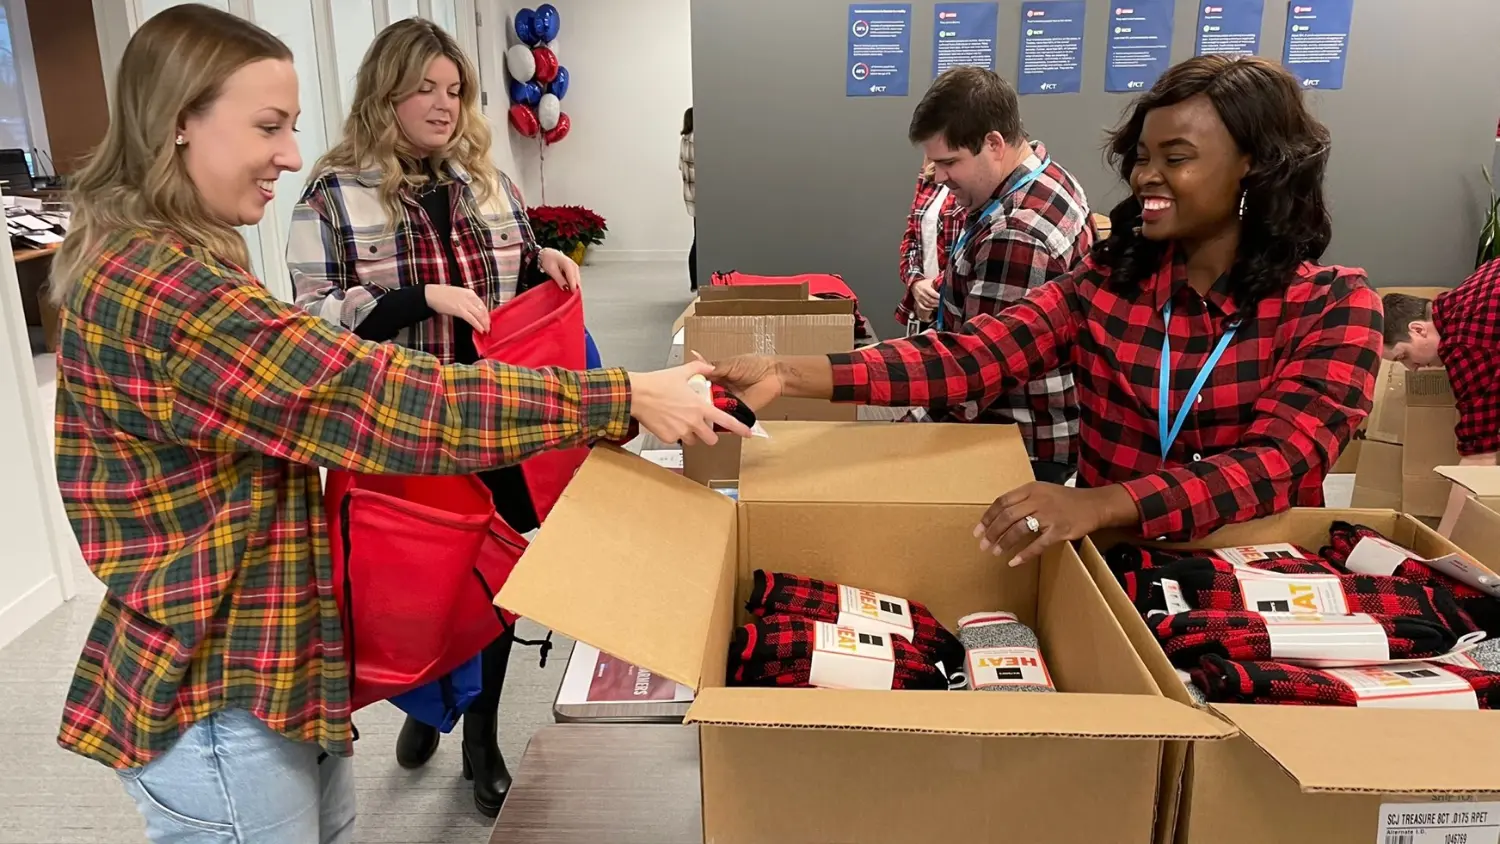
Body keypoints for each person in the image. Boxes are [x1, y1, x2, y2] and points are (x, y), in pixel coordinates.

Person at [48, 7, 747, 843]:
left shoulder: (184, 258)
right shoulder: (165, 290)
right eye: (268, 126)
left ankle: (464, 722)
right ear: (175, 124)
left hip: (272, 662)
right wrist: (618, 395)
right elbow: (375, 397)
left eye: (293, 126)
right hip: (218, 681)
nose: (288, 153)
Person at [709, 55, 1383, 567]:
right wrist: (790, 373)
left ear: (1257, 168)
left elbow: (1276, 464)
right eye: (1142, 157)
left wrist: (1098, 502)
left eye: (1176, 158)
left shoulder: (1334, 308)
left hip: (1251, 582)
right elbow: (975, 356)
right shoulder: (1112, 286)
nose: (1147, 176)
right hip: (1117, 571)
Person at [285, 18, 565, 816]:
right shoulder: (332, 192)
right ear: (387, 92)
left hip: (496, 415)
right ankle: (427, 703)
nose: (444, 106)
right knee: (419, 581)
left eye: (455, 91)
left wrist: (546, 258)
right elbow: (308, 317)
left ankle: (480, 735)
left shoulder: (486, 180)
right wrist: (414, 300)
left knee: (497, 575)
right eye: (425, 90)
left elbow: (516, 259)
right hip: (402, 424)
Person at [903, 66, 1095, 484]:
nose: (938, 177)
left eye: (949, 162)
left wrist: (899, 433)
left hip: (1018, 447)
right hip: (1036, 431)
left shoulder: (1015, 233)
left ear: (993, 143)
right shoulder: (1049, 175)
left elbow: (975, 378)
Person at [1380, 259, 1500, 524]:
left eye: (1403, 357)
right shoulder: (1476, 283)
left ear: (1418, 329)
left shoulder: (1465, 348)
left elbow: (1479, 461)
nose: (1412, 369)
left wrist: (1441, 545)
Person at [895, 157, 963, 334]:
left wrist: (932, 289)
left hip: (956, 312)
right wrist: (916, 283)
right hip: (924, 312)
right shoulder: (932, 174)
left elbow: (971, 247)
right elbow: (912, 235)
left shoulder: (971, 183)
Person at [681, 106, 696, 290]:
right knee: (700, 242)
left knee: (697, 239)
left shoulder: (684, 140)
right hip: (700, 197)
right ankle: (696, 281)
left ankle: (694, 282)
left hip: (691, 197)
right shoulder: (694, 140)